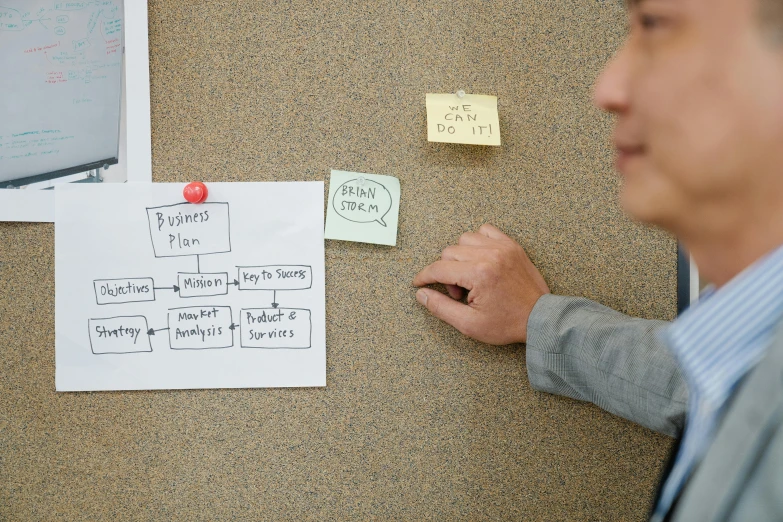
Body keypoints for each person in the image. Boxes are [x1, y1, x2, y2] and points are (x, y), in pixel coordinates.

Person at [413, 0, 783, 520]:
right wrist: (538, 319)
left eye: (655, 27)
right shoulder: (751, 348)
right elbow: (690, 385)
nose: (607, 89)